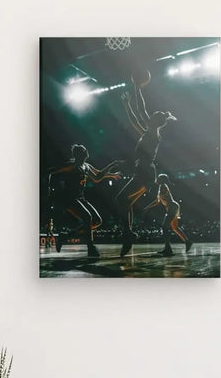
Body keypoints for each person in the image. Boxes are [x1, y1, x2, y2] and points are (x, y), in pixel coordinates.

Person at [116, 80, 177, 257]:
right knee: (124, 202)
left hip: (146, 174)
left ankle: (128, 235)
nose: (149, 115)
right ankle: (128, 235)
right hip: (143, 173)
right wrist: (127, 105)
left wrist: (136, 88)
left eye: (153, 115)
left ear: (154, 121)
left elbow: (141, 111)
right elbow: (135, 118)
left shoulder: (152, 133)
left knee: (121, 199)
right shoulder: (147, 131)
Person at [48, 144, 121, 257]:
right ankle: (90, 248)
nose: (87, 150)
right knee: (87, 218)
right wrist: (48, 187)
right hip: (69, 199)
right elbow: (50, 171)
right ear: (80, 154)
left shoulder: (86, 166)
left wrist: (111, 171)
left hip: (80, 198)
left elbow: (97, 177)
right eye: (84, 149)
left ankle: (66, 236)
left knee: (97, 221)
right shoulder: (72, 165)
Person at [143, 174, 192, 256]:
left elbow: (157, 201)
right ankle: (187, 242)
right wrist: (148, 207)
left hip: (172, 207)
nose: (156, 180)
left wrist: (147, 208)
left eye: (158, 179)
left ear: (161, 180)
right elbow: (158, 201)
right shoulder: (162, 186)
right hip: (173, 206)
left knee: (164, 227)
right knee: (174, 227)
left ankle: (168, 248)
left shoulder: (162, 186)